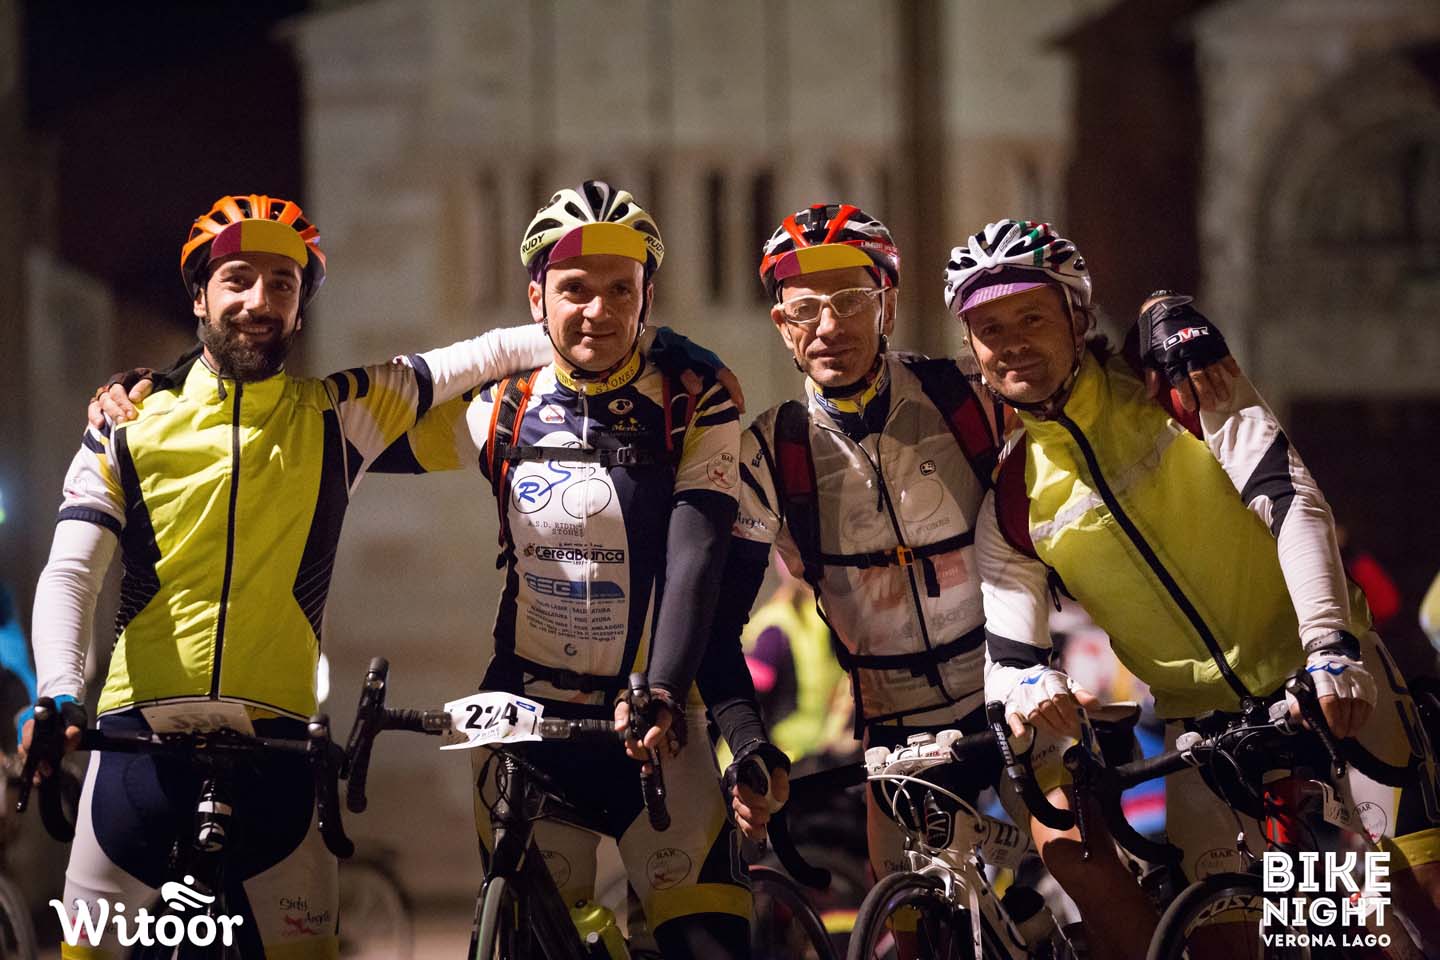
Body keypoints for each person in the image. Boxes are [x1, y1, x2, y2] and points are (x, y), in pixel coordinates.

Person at [22, 193, 565, 959]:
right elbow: (72, 571)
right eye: (237, 279)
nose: (259, 300)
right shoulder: (126, 425)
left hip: (278, 756)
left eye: (282, 283)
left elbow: (477, 357)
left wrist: (617, 333)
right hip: (136, 751)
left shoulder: (338, 416)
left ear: (301, 309)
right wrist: (58, 695)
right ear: (199, 295)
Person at [951, 218, 1440, 951]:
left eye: (1032, 318)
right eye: (990, 329)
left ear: (1077, 318)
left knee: (1415, 908)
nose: (1012, 342)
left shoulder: (1173, 387)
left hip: (1324, 682)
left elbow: (1290, 499)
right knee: (1223, 945)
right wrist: (1031, 687)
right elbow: (1011, 655)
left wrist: (1329, 646)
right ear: (973, 349)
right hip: (1202, 729)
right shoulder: (1012, 497)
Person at [370, 180, 766, 959]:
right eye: (574, 288)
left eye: (621, 289)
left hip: (654, 727)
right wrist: (165, 389)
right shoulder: (501, 406)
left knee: (710, 945)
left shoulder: (693, 402)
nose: (597, 309)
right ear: (537, 297)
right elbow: (334, 433)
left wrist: (660, 691)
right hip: (528, 727)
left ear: (647, 298)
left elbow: (696, 557)